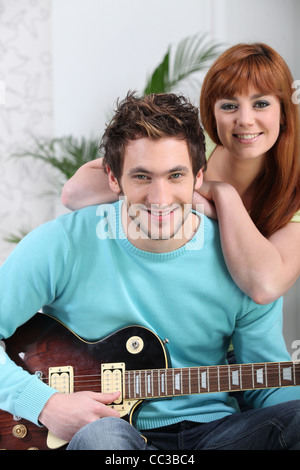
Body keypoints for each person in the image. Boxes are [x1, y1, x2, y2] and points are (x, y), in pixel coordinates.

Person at [0, 92, 300, 451]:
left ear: (198, 176)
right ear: (113, 178)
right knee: (102, 441)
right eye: (142, 177)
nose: (159, 199)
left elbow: (268, 387)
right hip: (111, 434)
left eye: (175, 176)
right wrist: (44, 403)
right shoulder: (62, 244)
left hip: (219, 432)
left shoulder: (243, 261)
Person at [61, 43, 300, 305]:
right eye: (229, 106)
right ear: (213, 112)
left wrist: (224, 198)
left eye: (261, 104)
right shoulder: (190, 148)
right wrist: (191, 195)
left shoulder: (295, 190)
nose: (245, 119)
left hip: (234, 331)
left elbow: (265, 286)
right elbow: (74, 193)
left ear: (283, 114)